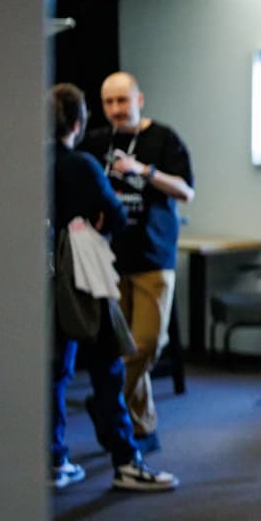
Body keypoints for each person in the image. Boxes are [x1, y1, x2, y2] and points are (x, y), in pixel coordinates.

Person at [50, 83, 178, 491]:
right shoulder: (80, 164)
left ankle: (54, 459)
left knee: (56, 370)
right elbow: (115, 216)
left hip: (44, 278)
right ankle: (126, 461)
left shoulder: (29, 165)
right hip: (85, 277)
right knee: (107, 364)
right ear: (78, 121)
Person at [78, 71, 195, 455]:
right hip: (107, 258)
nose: (116, 109)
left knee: (147, 342)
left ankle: (106, 400)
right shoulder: (95, 141)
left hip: (153, 256)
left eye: (122, 100)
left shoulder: (163, 138)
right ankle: (142, 427)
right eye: (109, 102)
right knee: (120, 346)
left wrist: (144, 171)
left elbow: (186, 191)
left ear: (139, 100)